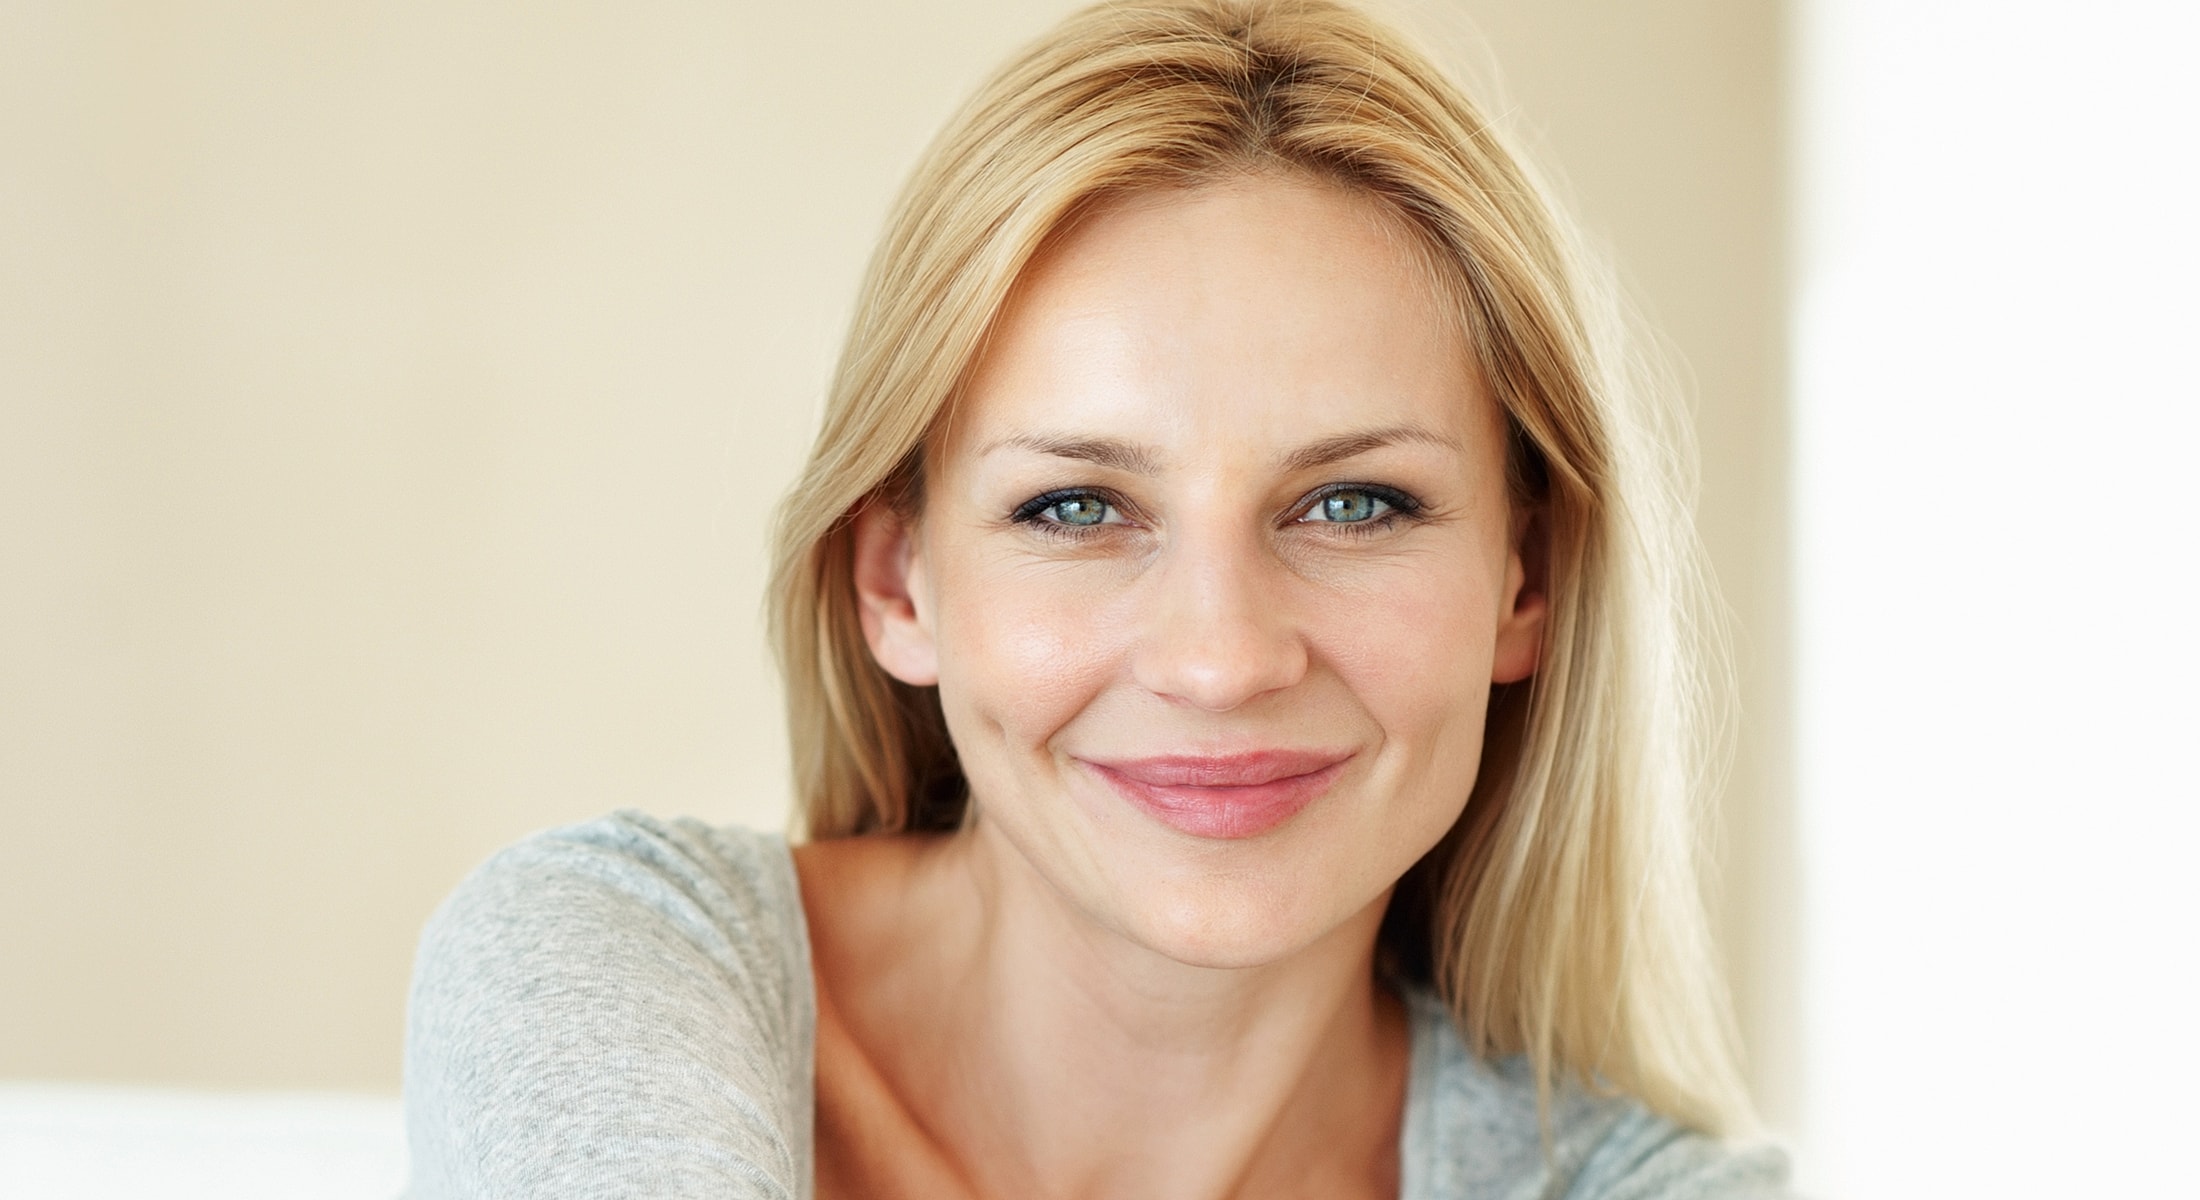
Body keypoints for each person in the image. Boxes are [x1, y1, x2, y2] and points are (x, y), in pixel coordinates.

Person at [401, 1, 1790, 1196]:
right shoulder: (614, 968)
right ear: (896, 582)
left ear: (1524, 583)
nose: (1221, 659)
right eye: (1075, 508)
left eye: (1353, 504)